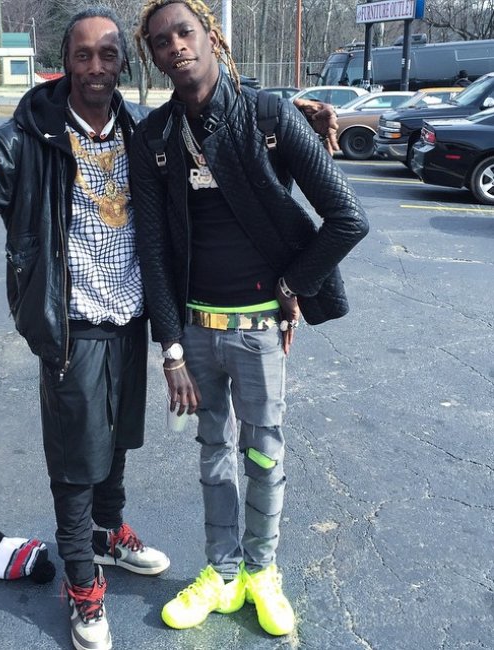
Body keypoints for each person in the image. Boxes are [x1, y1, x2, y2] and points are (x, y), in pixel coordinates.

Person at [0, 8, 170, 650]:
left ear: (122, 63)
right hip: (69, 325)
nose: (96, 66)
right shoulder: (29, 135)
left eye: (108, 54)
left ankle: (107, 535)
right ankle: (81, 582)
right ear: (66, 63)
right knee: (76, 462)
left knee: (116, 440)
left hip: (129, 316)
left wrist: (291, 122)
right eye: (83, 54)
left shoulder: (140, 129)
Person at [130, 0, 369, 639]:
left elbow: (348, 217)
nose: (175, 46)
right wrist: (171, 349)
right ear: (153, 56)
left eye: (185, 32)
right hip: (195, 332)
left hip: (260, 329)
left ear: (212, 36)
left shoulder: (267, 116)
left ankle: (263, 573)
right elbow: (153, 251)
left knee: (262, 454)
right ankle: (223, 573)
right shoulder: (154, 138)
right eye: (160, 41)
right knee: (213, 455)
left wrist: (292, 285)